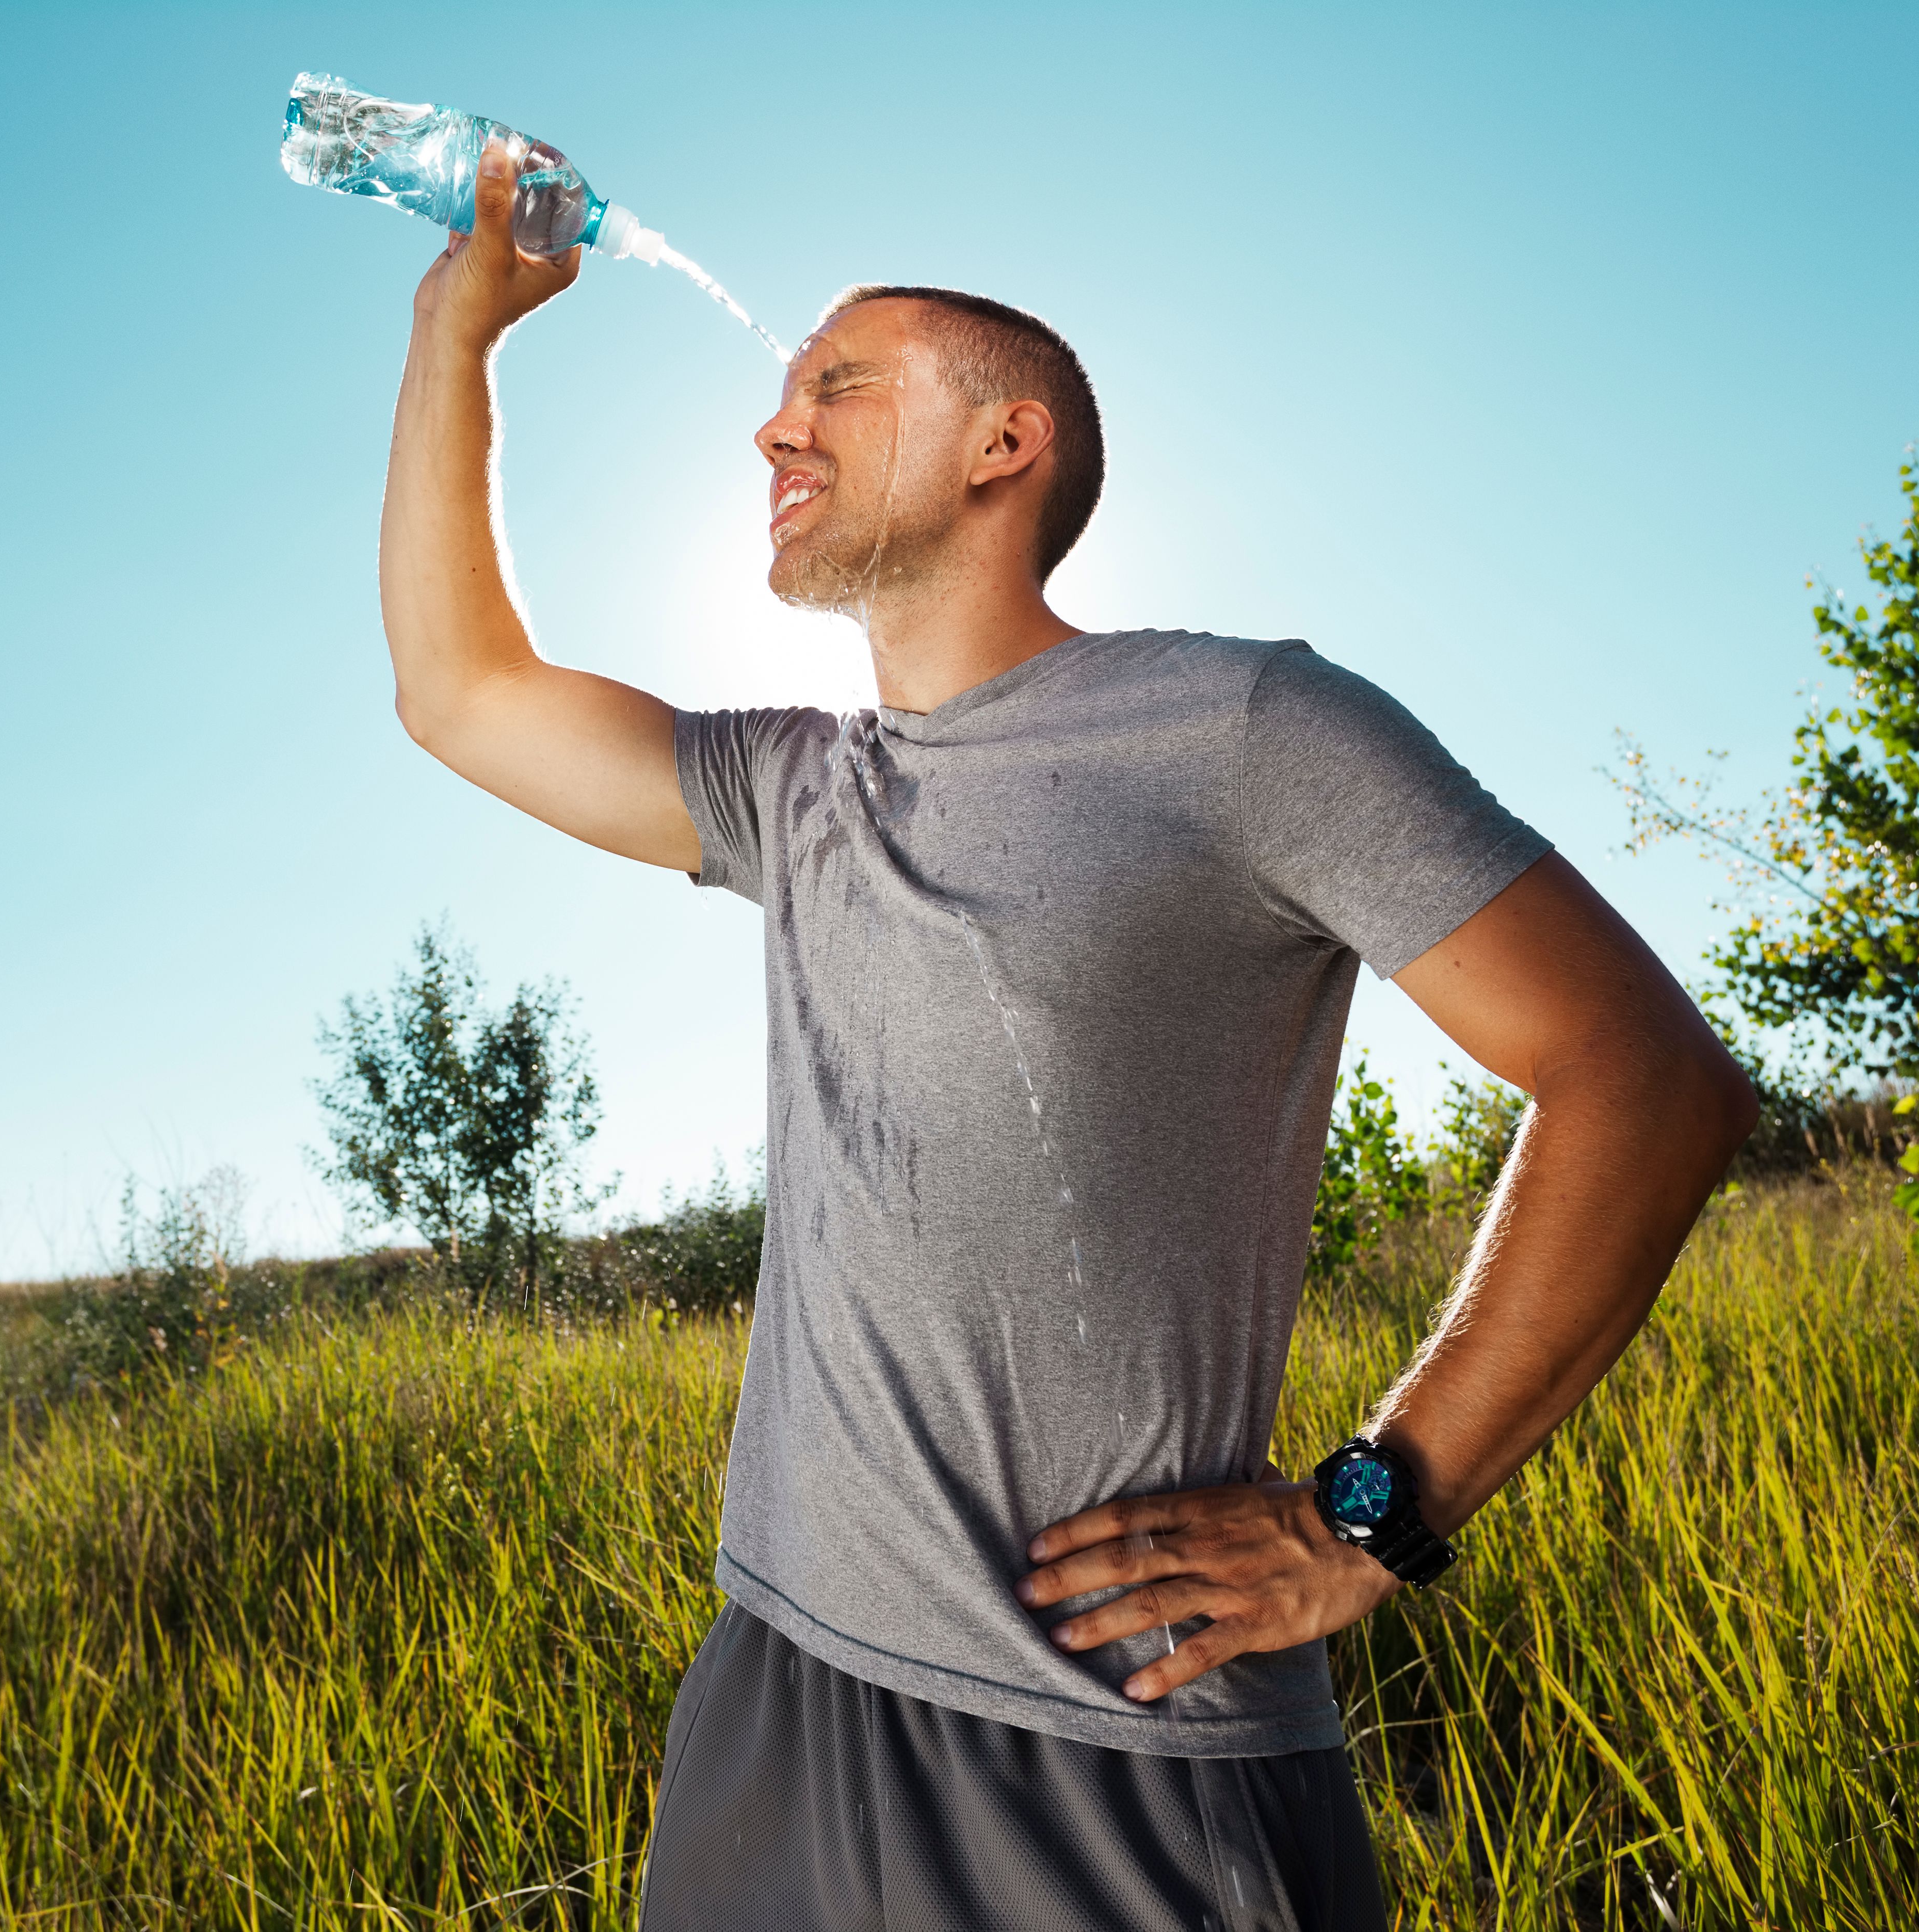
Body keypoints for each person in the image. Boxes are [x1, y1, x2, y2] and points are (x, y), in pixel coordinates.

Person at [376, 140, 1756, 1932]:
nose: (774, 432)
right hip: (779, 1692)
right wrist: (453, 328)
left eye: (839, 388)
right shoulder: (794, 792)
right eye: (783, 398)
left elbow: (1648, 1081)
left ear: (1001, 446)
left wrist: (1371, 1511)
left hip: (1115, 1752)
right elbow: (459, 694)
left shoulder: (1248, 728)